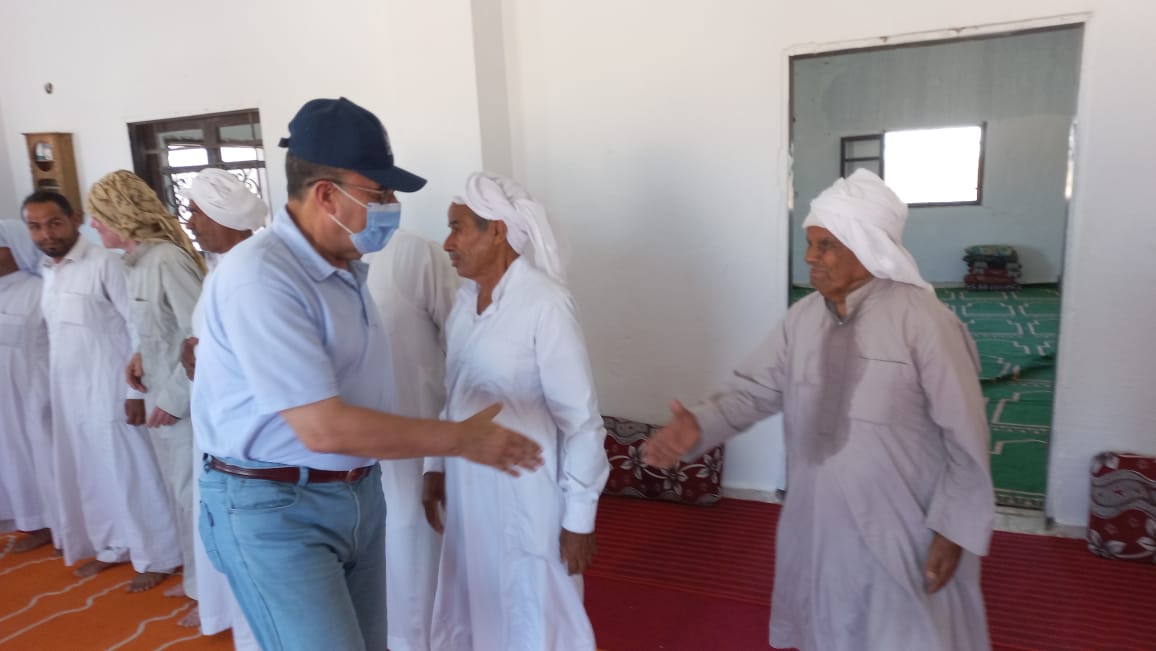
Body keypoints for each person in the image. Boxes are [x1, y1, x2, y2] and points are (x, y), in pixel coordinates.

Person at [192, 97, 542, 651]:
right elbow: (323, 428)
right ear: (326, 195)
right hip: (275, 506)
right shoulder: (261, 278)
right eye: (379, 194)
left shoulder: (344, 267)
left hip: (355, 491)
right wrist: (460, 440)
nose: (392, 207)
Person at [644, 169, 996, 651]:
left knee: (903, 633)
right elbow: (755, 391)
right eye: (810, 243)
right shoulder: (803, 318)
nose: (810, 257)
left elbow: (966, 437)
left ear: (868, 247)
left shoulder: (925, 323)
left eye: (826, 245)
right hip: (817, 521)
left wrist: (952, 531)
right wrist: (700, 426)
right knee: (828, 625)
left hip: (900, 526)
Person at [423, 172, 609, 651]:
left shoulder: (545, 304)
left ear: (497, 232)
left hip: (528, 494)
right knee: (478, 596)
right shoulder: (464, 304)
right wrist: (435, 467)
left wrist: (579, 519)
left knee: (533, 606)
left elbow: (581, 422)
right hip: (469, 488)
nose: (447, 243)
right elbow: (453, 395)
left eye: (457, 228)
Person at [24, 190, 182, 592]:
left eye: (54, 223)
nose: (46, 234)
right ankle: (116, 545)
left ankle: (160, 555)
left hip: (113, 391)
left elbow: (137, 326)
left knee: (132, 474)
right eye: (36, 227)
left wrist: (135, 395)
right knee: (94, 475)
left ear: (75, 219)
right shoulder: (47, 270)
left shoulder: (105, 263)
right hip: (72, 396)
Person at [85, 170, 205, 606]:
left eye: (99, 215)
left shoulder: (166, 259)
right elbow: (161, 331)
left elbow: (199, 338)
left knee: (195, 497)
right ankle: (196, 585)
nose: (94, 225)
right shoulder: (136, 262)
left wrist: (172, 400)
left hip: (184, 403)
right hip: (161, 398)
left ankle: (212, 597)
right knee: (179, 494)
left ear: (122, 213)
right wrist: (140, 357)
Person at [179, 167, 266, 645]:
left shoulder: (256, 272)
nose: (189, 221)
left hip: (247, 439)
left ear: (225, 216)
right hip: (216, 425)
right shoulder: (218, 270)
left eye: (197, 211)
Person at [365, 228, 459, 651]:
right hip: (345, 445)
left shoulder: (413, 255)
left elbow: (462, 344)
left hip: (415, 435)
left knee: (410, 535)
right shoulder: (311, 262)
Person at [0, 219, 54, 552]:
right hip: (6, 399)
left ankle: (50, 521)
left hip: (34, 392)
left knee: (41, 456)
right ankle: (28, 519)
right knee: (11, 457)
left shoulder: (38, 290)